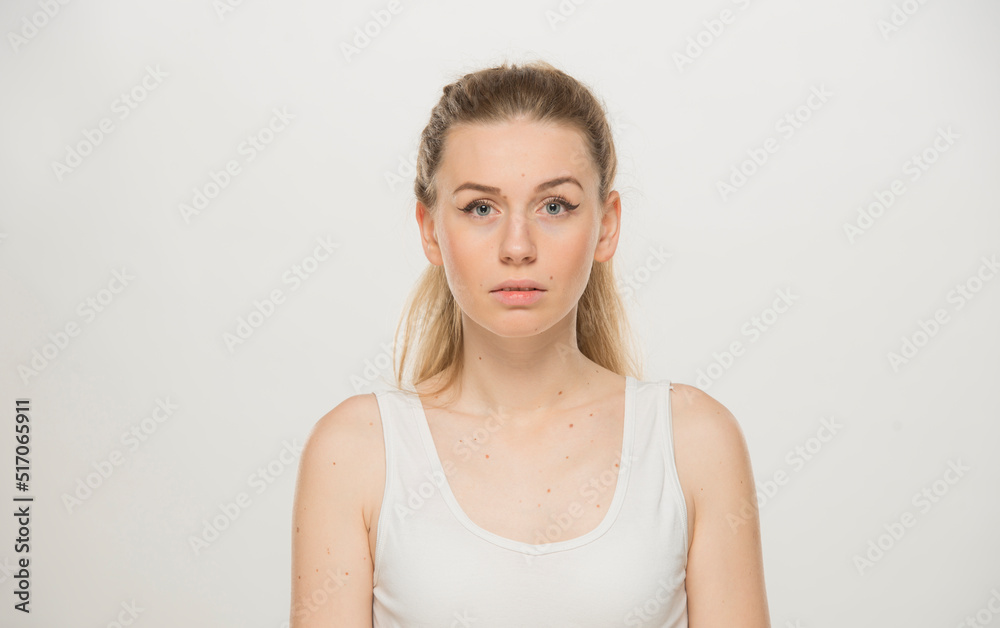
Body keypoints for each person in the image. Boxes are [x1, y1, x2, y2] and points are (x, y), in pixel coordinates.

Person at [290, 59, 771, 627]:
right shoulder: (355, 451)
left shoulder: (694, 442)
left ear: (607, 225)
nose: (517, 247)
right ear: (429, 229)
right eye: (481, 208)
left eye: (554, 206)